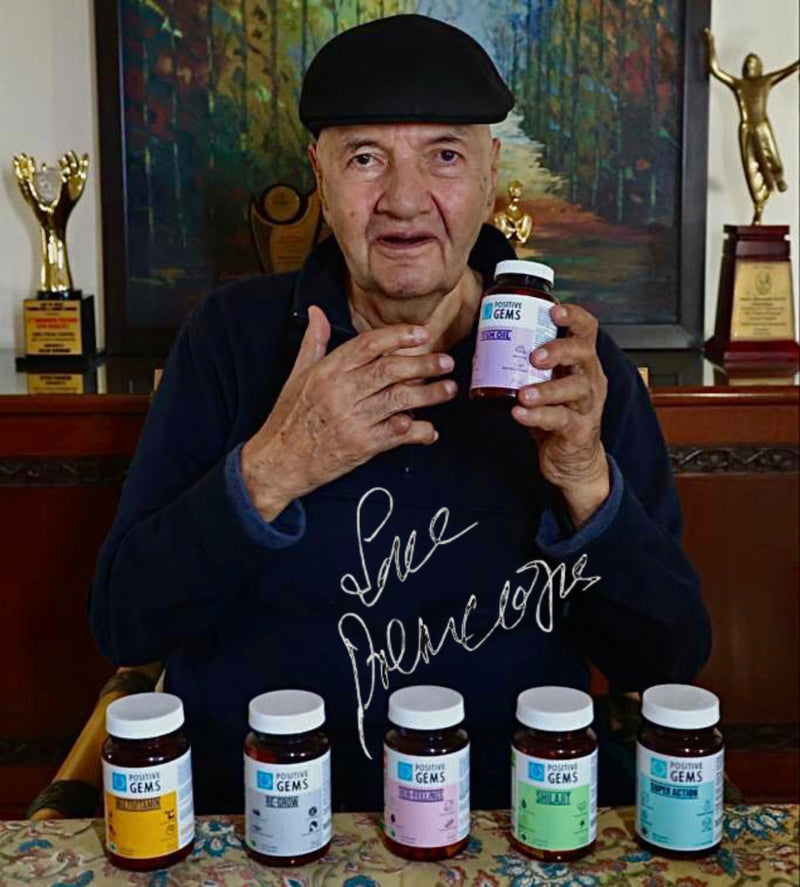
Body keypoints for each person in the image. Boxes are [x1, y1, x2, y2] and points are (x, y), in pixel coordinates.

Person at [90, 15, 710, 815]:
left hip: (515, 816)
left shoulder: (571, 365)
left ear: (490, 176)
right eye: (365, 158)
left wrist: (584, 478)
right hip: (257, 812)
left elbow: (667, 659)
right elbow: (126, 623)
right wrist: (276, 466)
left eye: (444, 156)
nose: (405, 200)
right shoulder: (227, 340)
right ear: (319, 175)